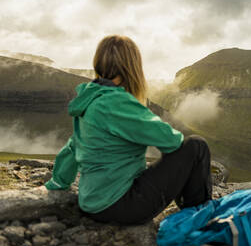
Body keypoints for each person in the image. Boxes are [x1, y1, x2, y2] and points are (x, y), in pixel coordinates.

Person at [44, 35, 212, 225]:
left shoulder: (90, 98)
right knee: (196, 145)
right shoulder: (117, 102)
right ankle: (200, 223)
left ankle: (195, 219)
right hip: (122, 206)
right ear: (131, 66)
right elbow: (170, 141)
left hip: (92, 203)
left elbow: (72, 147)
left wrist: (57, 183)